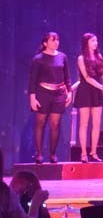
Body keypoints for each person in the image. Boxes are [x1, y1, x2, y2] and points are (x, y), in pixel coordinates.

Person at [28, 32, 71, 164]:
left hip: (59, 94)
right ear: (45, 43)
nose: (56, 42)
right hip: (43, 93)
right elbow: (33, 79)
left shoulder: (63, 57)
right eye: (53, 40)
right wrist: (32, 98)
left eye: (57, 40)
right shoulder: (38, 58)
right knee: (40, 123)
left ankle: (52, 154)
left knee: (55, 124)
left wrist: (69, 92)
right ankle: (39, 154)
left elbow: (67, 76)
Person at [74, 32, 103, 163]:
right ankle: (83, 153)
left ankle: (94, 152)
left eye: (96, 41)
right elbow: (87, 78)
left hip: (97, 91)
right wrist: (102, 88)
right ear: (86, 43)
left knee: (96, 123)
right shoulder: (81, 58)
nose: (96, 43)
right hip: (85, 91)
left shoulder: (99, 56)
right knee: (84, 123)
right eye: (93, 41)